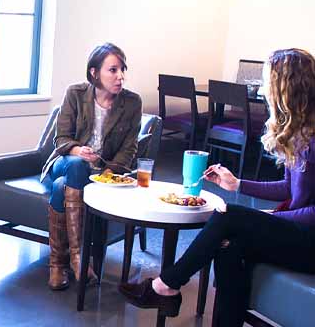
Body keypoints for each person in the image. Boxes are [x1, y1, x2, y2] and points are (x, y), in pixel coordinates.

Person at [120, 48, 315, 324]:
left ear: (287, 88)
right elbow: (289, 188)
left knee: (229, 215)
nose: (262, 91)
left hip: (310, 241)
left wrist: (271, 217)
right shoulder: (299, 133)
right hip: (298, 231)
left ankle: (166, 286)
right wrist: (237, 184)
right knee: (228, 246)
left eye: (267, 83)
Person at [40, 43, 142, 290]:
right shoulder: (75, 93)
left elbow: (129, 149)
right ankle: (78, 258)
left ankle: (57, 264)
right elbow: (61, 138)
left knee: (61, 187)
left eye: (123, 70)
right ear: (94, 72)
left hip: (99, 174)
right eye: (113, 70)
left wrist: (108, 175)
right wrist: (77, 150)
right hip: (65, 162)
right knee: (75, 167)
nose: (121, 76)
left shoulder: (132, 103)